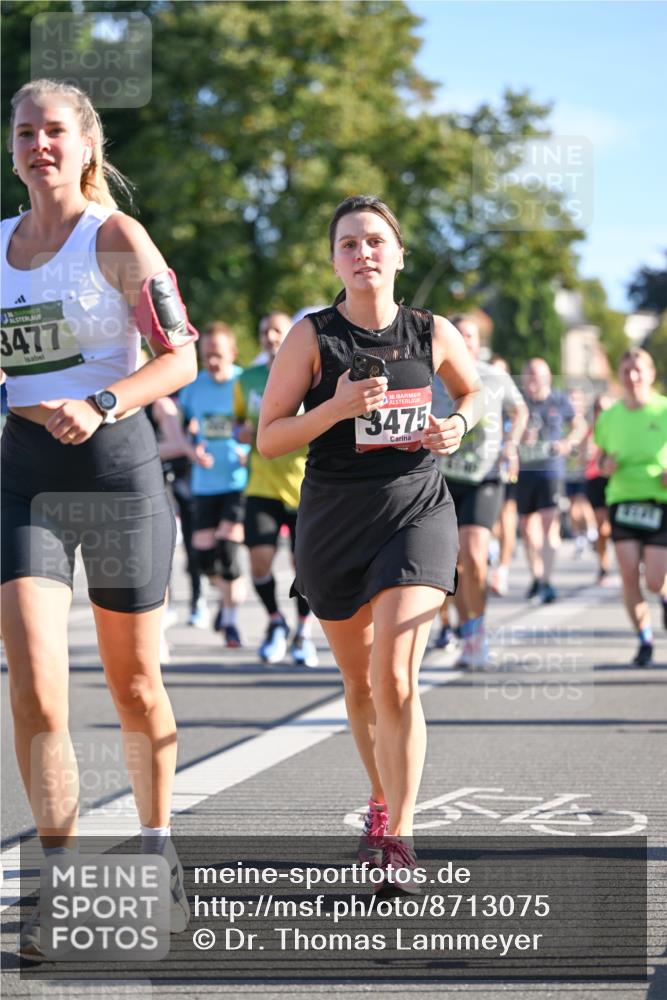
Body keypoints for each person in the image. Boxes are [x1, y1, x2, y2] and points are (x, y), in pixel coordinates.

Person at [1, 79, 198, 957]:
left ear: (86, 146)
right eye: (24, 132)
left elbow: (181, 356)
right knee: (38, 690)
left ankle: (158, 854)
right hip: (24, 481)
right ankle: (57, 883)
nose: (39, 145)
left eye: (54, 132)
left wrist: (108, 399)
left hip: (118, 475)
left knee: (134, 689)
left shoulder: (114, 237)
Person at [257, 195, 481, 886]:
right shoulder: (311, 336)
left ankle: (402, 839)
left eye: (375, 241)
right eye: (349, 244)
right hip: (334, 518)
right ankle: (380, 801)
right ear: (334, 259)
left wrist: (458, 427)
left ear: (398, 254)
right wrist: (333, 409)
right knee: (359, 683)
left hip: (416, 508)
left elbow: (472, 396)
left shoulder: (431, 331)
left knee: (394, 675)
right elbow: (268, 437)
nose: (363, 254)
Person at [433, 315, 527, 668]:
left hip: (486, 477)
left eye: (469, 336)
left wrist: (512, 445)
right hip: (442, 478)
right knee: (451, 564)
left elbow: (519, 410)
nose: (464, 341)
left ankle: (477, 630)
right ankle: (463, 627)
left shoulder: (495, 376)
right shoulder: (432, 376)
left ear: (477, 341)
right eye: (457, 335)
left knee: (473, 555)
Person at [234, 312, 319, 667]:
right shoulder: (248, 379)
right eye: (264, 330)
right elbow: (240, 421)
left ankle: (302, 630)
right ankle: (274, 622)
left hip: (303, 484)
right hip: (261, 484)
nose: (270, 336)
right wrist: (241, 432)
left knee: (305, 567)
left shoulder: (310, 376)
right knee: (258, 562)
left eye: (277, 331)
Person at [594, 348, 667, 666]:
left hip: (658, 501)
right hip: (622, 499)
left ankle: (662, 596)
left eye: (638, 370)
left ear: (651, 374)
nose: (633, 376)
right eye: (626, 371)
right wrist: (604, 465)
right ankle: (644, 639)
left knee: (654, 579)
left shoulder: (664, 410)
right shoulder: (609, 417)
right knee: (627, 574)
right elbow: (598, 457)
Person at [178, 322, 249, 646]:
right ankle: (226, 597)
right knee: (205, 558)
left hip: (239, 481)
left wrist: (247, 449)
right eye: (207, 356)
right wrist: (192, 449)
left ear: (232, 353)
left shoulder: (243, 383)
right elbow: (182, 428)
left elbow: (259, 423)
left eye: (218, 355)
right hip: (205, 482)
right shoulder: (193, 387)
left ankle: (232, 622)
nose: (212, 362)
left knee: (229, 554)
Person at [517, 358, 586, 604]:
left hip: (550, 470)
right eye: (528, 375)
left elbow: (579, 426)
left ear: (546, 377)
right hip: (524, 470)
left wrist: (569, 443)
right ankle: (537, 576)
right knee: (527, 528)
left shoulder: (559, 400)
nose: (532, 380)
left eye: (537, 375)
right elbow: (506, 430)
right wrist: (519, 435)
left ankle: (547, 580)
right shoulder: (519, 402)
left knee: (549, 523)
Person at [584, 393, 613, 585]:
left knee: (613, 526)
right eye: (598, 409)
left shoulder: (617, 430)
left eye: (604, 409)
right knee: (602, 528)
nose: (601, 412)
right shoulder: (591, 431)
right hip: (594, 480)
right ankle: (603, 567)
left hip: (614, 482)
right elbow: (583, 457)